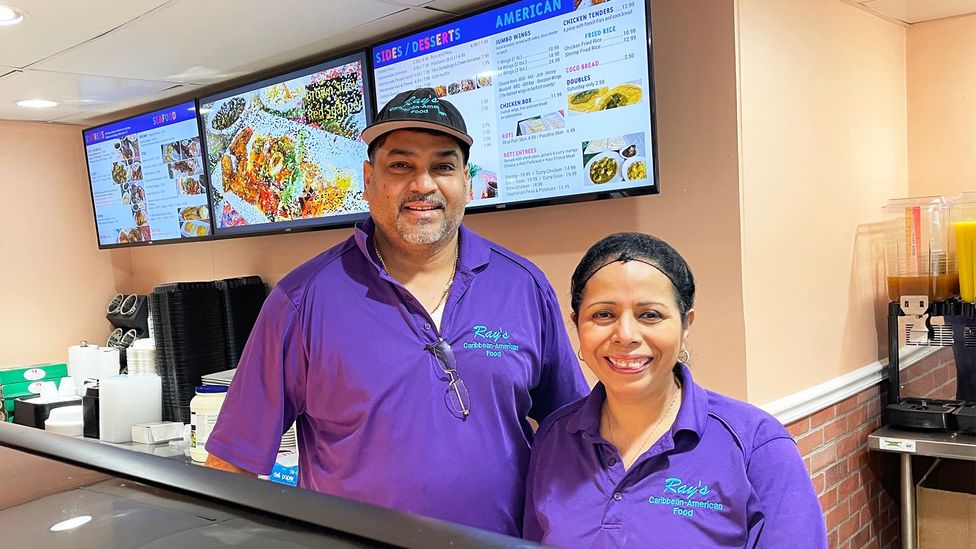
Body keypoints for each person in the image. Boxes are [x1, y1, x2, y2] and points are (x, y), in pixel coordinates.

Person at [204, 88, 588, 536]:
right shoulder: (302, 300)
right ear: (368, 179)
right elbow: (230, 467)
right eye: (400, 165)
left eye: (442, 166)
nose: (423, 184)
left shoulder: (523, 286)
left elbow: (572, 436)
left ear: (468, 180)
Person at [523, 233, 827, 547]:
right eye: (603, 314)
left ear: (685, 324)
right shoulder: (554, 438)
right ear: (577, 324)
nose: (625, 335)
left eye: (650, 315)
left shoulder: (756, 443)